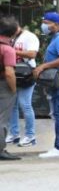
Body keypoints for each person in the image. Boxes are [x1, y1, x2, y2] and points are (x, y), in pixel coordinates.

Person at [33, 11, 59, 158]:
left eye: (46, 23)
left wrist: (43, 66)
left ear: (56, 25)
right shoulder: (57, 38)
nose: (43, 26)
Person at [5, 17, 40, 148]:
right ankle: (14, 134)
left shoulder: (29, 37)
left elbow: (32, 54)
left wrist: (12, 51)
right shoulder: (10, 37)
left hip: (26, 75)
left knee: (25, 104)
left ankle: (30, 136)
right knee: (12, 105)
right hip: (14, 74)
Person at [0, 17, 21, 161]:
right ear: (13, 33)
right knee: (2, 119)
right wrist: (13, 90)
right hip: (3, 86)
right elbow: (9, 73)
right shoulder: (7, 49)